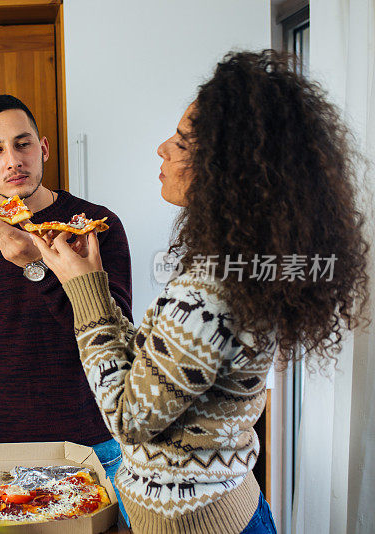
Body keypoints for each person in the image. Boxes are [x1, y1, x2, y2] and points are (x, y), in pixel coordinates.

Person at [30, 50, 370, 533]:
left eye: (183, 142)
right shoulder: (247, 259)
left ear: (230, 169)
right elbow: (155, 371)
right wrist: (94, 285)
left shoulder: (210, 288)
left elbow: (128, 418)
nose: (162, 149)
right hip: (231, 507)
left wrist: (83, 290)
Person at [0, 94, 133, 522]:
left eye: (23, 144)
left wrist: (36, 265)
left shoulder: (93, 227)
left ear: (43, 148)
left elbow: (114, 333)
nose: (12, 160)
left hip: (92, 444)